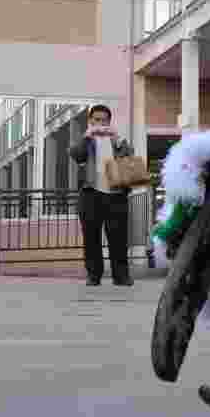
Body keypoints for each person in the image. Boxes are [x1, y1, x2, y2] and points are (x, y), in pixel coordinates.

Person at [68, 104, 135, 286]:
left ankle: (121, 276)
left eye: (104, 120)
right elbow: (75, 155)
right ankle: (93, 275)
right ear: (90, 121)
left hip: (116, 195)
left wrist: (118, 141)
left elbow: (129, 160)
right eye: (96, 119)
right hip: (91, 195)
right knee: (91, 238)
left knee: (119, 238)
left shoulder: (117, 141)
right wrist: (86, 137)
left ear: (109, 121)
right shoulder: (86, 141)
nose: (100, 123)